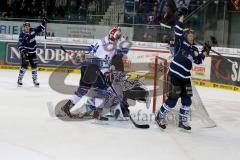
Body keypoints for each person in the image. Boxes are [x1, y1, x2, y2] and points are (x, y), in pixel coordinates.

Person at [155, 7, 211, 130]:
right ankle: (160, 116)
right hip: (175, 75)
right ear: (185, 36)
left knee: (187, 101)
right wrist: (181, 17)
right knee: (173, 100)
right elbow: (178, 30)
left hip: (186, 78)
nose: (191, 37)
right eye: (189, 35)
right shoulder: (180, 42)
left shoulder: (194, 49)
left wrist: (205, 52)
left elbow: (198, 60)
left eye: (192, 36)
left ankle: (182, 121)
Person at [61, 27, 123, 118]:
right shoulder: (110, 47)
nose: (117, 39)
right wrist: (106, 73)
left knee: (83, 89)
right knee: (101, 89)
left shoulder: (100, 41)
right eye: (117, 37)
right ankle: (97, 113)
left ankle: (67, 107)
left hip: (86, 66)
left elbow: (89, 51)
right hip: (94, 68)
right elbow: (101, 61)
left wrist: (78, 56)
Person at [17, 19, 47, 86]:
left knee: (34, 66)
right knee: (24, 66)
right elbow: (19, 43)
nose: (27, 28)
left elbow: (40, 28)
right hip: (26, 53)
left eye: (28, 26)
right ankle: (19, 79)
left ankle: (35, 80)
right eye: (25, 26)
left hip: (33, 53)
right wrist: (23, 51)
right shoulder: (22, 34)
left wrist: (44, 23)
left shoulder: (33, 31)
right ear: (24, 27)